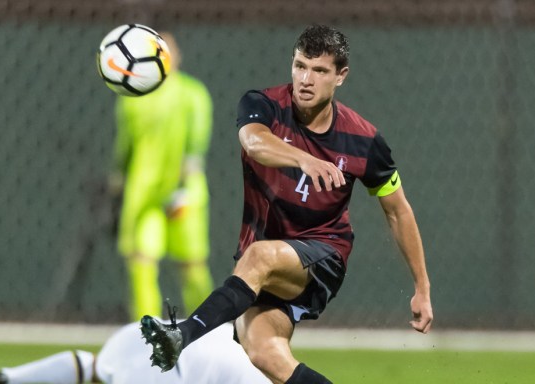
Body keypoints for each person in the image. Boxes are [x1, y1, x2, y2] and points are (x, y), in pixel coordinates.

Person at [140, 25, 434, 384]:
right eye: (300, 66)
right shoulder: (261, 105)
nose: (306, 79)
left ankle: (181, 335)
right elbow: (254, 143)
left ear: (340, 76)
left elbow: (398, 210)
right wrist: (304, 159)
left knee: (261, 256)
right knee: (264, 352)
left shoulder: (364, 140)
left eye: (319, 70)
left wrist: (422, 288)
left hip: (323, 255)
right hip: (263, 265)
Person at [110, 32, 214, 321]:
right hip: (144, 193)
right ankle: (145, 332)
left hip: (184, 192)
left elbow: (197, 141)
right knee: (142, 261)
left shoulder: (193, 93)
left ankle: (211, 327)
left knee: (192, 266)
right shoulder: (132, 97)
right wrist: (118, 178)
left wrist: (187, 171)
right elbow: (125, 145)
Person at [0, 320, 271, 384]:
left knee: (95, 367)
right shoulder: (257, 375)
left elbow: (86, 366)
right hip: (163, 373)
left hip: (143, 335)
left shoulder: (224, 330)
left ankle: (6, 378)